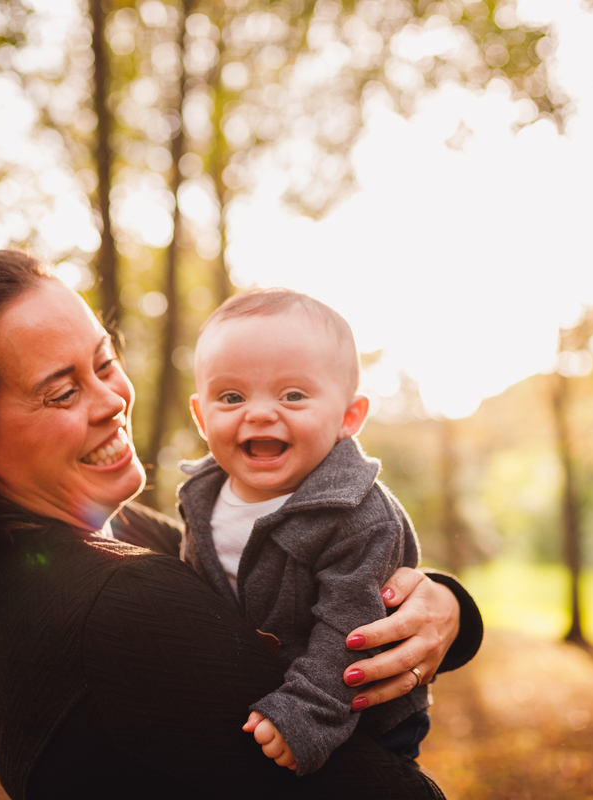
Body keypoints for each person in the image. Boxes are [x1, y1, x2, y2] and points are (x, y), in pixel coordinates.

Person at [0, 250, 484, 799]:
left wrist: (448, 610)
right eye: (61, 392)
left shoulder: (64, 546)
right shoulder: (120, 601)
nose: (112, 400)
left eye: (103, 362)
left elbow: (279, 578)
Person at [181, 288, 430, 775]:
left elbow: (349, 628)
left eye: (293, 395)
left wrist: (306, 713)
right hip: (258, 705)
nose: (259, 412)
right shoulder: (200, 493)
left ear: (348, 418)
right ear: (200, 415)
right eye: (231, 396)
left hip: (363, 719)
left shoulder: (357, 515)